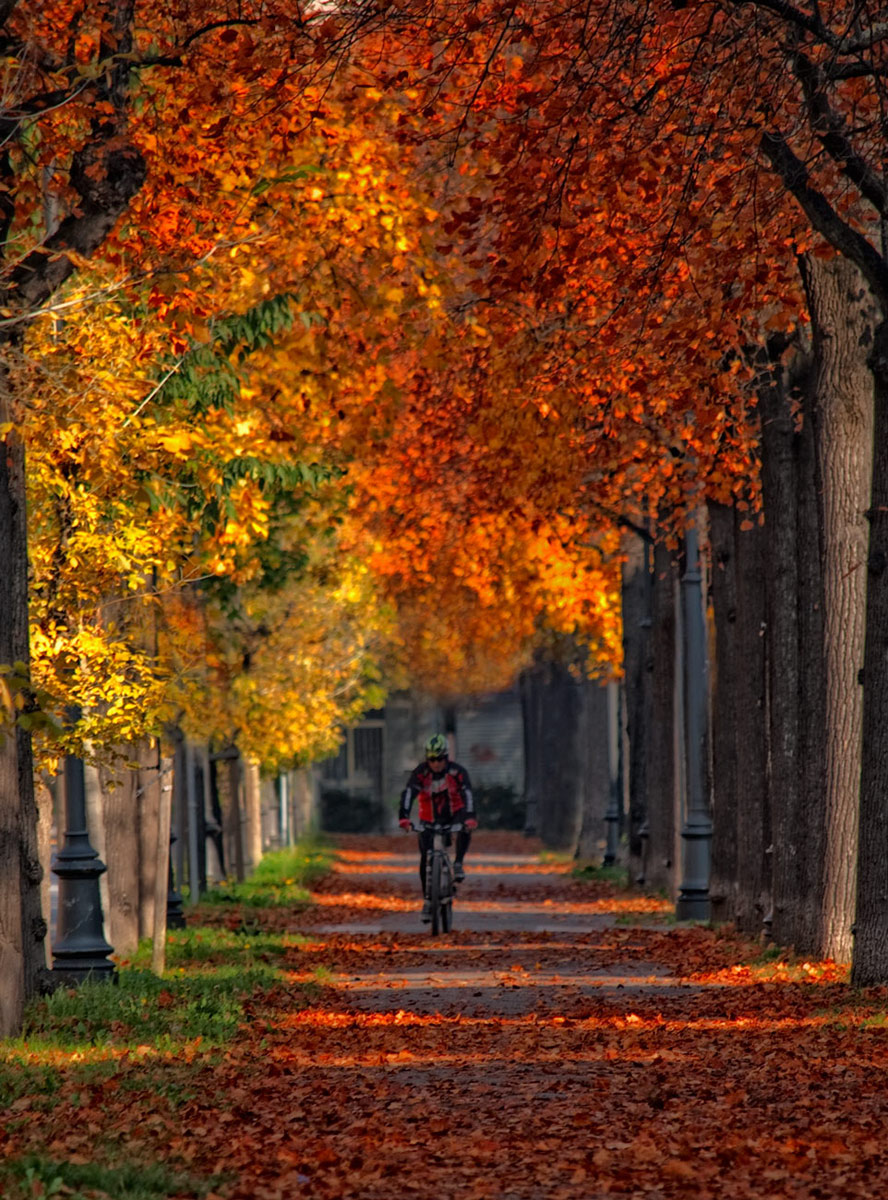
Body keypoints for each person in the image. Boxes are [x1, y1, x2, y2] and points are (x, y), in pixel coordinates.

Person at [398, 733, 477, 921]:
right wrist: (404, 818)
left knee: (465, 828)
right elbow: (409, 793)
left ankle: (458, 862)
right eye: (432, 759)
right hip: (428, 818)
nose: (436, 764)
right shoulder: (420, 773)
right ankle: (427, 899)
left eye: (440, 759)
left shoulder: (457, 772)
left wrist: (470, 818)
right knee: (425, 857)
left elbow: (468, 795)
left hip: (453, 814)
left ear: (446, 757)